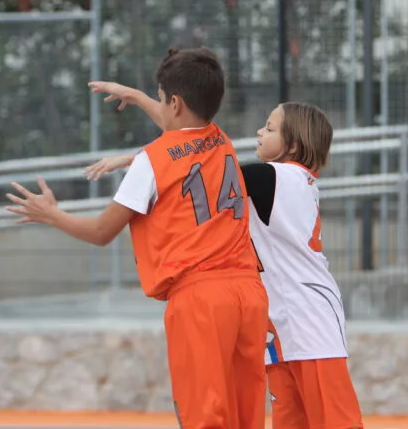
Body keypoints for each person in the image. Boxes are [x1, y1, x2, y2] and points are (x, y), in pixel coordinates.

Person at [6, 47, 268, 429]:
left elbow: (102, 232)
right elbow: (182, 130)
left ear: (175, 103)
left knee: (204, 417)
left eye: (161, 99)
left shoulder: (152, 160)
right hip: (248, 291)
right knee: (247, 417)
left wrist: (51, 215)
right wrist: (140, 97)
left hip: (201, 298)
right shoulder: (221, 140)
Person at [85, 98, 364, 428]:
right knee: (291, 422)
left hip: (309, 317)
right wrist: (143, 154)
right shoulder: (276, 178)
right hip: (281, 321)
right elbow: (193, 159)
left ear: (292, 145)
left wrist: (139, 153)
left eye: (269, 128)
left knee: (337, 421)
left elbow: (199, 163)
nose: (260, 132)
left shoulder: (277, 177)